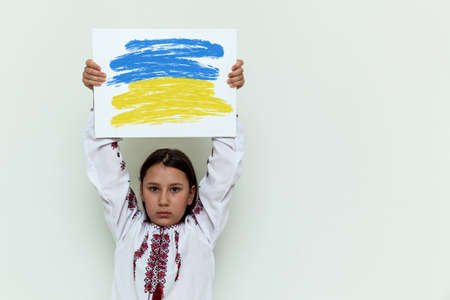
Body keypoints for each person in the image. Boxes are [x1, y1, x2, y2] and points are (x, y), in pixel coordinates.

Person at [82, 58, 245, 300]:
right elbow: (105, 167)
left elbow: (226, 166)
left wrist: (226, 93)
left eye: (175, 189)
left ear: (191, 194)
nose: (164, 200)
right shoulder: (128, 228)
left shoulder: (201, 230)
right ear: (141, 190)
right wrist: (100, 94)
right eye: (154, 188)